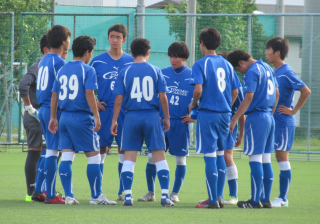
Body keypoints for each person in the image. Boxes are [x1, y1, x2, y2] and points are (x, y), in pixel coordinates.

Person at [48, 35, 117, 205]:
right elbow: (89, 94)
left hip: (64, 117)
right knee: (94, 157)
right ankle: (96, 196)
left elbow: (54, 95)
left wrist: (53, 117)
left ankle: (69, 196)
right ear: (88, 52)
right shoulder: (88, 69)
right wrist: (97, 116)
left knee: (67, 157)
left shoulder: (62, 69)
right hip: (81, 117)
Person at [111, 38, 174, 207]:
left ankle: (128, 196)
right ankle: (165, 196)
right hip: (152, 116)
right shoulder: (155, 70)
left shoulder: (125, 71)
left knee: (129, 158)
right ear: (148, 52)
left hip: (131, 116)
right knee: (160, 157)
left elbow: (118, 99)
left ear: (131, 53)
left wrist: (115, 120)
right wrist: (167, 117)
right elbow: (163, 97)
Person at [137, 41, 195, 203]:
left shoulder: (192, 75)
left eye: (176, 57)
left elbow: (199, 98)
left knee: (180, 160)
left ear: (184, 57)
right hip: (161, 123)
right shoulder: (161, 73)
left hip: (180, 124)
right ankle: (150, 192)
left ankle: (174, 193)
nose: (172, 60)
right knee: (150, 157)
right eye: (170, 56)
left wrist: (194, 116)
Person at [188, 28, 239, 209]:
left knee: (210, 155)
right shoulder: (228, 65)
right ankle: (217, 197)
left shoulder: (200, 64)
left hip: (208, 114)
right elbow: (235, 91)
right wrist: (227, 105)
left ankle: (212, 201)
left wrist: (194, 103)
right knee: (220, 154)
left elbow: (198, 90)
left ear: (201, 43)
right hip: (225, 115)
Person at [227, 49, 279, 209]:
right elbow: (277, 93)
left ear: (241, 63)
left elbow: (248, 97)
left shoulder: (252, 71)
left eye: (237, 69)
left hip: (257, 117)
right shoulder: (268, 68)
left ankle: (255, 201)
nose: (239, 72)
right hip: (269, 117)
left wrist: (234, 118)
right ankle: (265, 199)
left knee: (255, 159)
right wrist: (270, 113)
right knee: (266, 159)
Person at [265, 37, 311, 208]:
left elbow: (306, 91)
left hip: (284, 122)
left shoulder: (286, 71)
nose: (266, 53)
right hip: (274, 121)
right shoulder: (274, 71)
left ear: (277, 53)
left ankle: (283, 198)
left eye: (268, 50)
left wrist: (293, 110)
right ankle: (266, 195)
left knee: (282, 158)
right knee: (273, 156)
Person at [89, 24, 133, 201]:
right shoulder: (97, 61)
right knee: (101, 150)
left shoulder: (131, 61)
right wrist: (95, 102)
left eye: (118, 37)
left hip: (124, 112)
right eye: (112, 36)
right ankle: (98, 191)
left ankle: (122, 191)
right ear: (108, 38)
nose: (115, 40)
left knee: (124, 149)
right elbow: (88, 86)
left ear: (124, 39)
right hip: (104, 111)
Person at [36, 25, 71, 204]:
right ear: (65, 42)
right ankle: (51, 195)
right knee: (52, 151)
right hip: (52, 110)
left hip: (42, 108)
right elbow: (59, 91)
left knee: (49, 149)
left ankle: (40, 190)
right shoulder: (59, 62)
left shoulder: (44, 59)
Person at [19, 34, 49, 202]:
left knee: (44, 153)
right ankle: (32, 192)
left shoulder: (45, 65)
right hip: (37, 116)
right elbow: (23, 84)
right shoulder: (39, 65)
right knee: (35, 153)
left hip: (39, 116)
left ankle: (39, 189)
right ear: (46, 49)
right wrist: (30, 107)